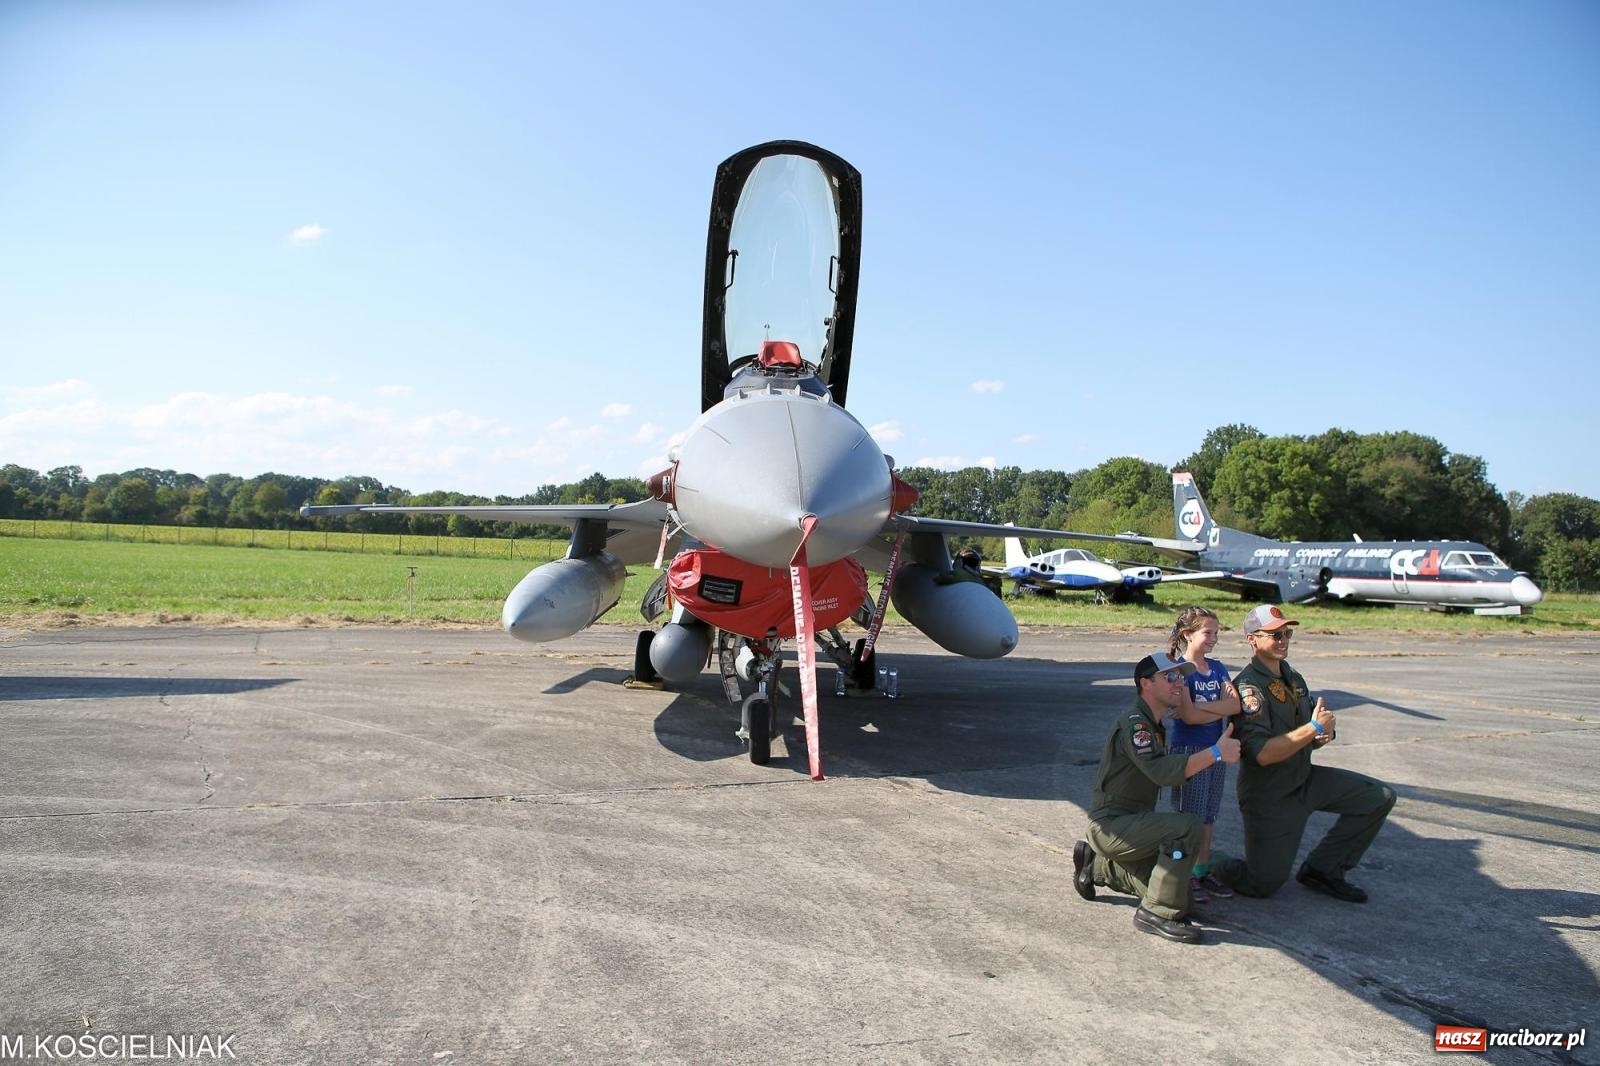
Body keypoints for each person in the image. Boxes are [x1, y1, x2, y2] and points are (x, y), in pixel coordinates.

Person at [1216, 605, 1398, 902]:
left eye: (1286, 633)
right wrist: (1313, 728)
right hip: (1270, 795)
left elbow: (1305, 734)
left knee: (1378, 797)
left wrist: (1322, 736)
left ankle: (1323, 869)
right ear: (1252, 639)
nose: (1283, 640)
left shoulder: (1294, 678)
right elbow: (1262, 753)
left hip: (1304, 779)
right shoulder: (1249, 688)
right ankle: (1204, 860)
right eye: (1274, 635)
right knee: (1263, 884)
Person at [1072, 651, 1241, 943]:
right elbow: (1162, 771)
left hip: (1132, 826)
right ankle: (1156, 914)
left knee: (1183, 898)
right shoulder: (1136, 724)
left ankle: (1098, 865)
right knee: (1187, 827)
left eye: (1181, 677)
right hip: (1112, 825)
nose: (1179, 683)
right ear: (1145, 683)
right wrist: (1215, 752)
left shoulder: (1156, 724)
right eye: (1170, 677)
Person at [1164, 606, 1242, 903]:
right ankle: (1182, 874)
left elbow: (1235, 706)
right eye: (1208, 632)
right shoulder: (1179, 670)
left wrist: (1199, 707)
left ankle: (1201, 871)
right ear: (1188, 634)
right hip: (1190, 751)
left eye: (1216, 633)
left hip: (1217, 750)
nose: (1214, 638)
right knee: (1190, 818)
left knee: (1208, 817)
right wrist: (1208, 708)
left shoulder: (1218, 667)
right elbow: (1189, 718)